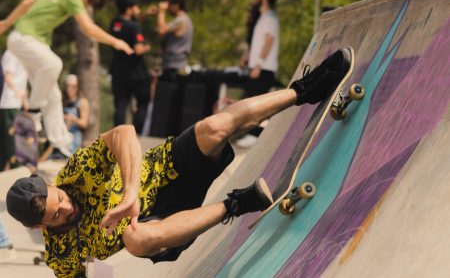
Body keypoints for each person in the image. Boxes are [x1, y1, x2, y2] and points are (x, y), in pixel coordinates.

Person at [5, 48, 353, 277]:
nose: (66, 206)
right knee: (135, 239)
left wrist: (130, 194)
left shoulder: (75, 173)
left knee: (213, 127)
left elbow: (124, 133)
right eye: (56, 215)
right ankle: (238, 203)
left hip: (166, 168)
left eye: (60, 199)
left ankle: (304, 91)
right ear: (40, 228)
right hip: (164, 226)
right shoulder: (59, 254)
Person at [0, 0, 133, 159]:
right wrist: (115, 41)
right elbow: (88, 29)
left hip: (29, 43)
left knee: (53, 95)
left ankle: (59, 144)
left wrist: (6, 23)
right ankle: (32, 112)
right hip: (25, 40)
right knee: (54, 64)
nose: (86, 7)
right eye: (88, 3)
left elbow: (27, 3)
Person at [236, 0, 280, 148]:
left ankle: (255, 136)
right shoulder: (264, 18)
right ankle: (251, 134)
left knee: (255, 104)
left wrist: (259, 65)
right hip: (258, 68)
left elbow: (269, 41)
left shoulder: (270, 18)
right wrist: (249, 57)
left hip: (264, 69)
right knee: (250, 100)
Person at [109, 0, 151, 134]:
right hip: (136, 73)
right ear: (129, 9)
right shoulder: (134, 27)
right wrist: (147, 47)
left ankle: (117, 135)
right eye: (136, 7)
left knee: (121, 105)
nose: (138, 10)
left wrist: (145, 14)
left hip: (118, 71)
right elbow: (138, 49)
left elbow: (131, 22)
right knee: (143, 102)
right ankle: (135, 133)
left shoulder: (114, 23)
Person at [150, 0, 193, 81]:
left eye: (168, 5)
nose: (168, 9)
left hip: (174, 66)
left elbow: (161, 30)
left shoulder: (181, 21)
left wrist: (162, 12)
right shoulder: (182, 20)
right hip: (173, 65)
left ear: (176, 5)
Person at [0, 50, 28, 171]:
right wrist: (17, 92)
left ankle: (11, 169)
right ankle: (14, 169)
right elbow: (8, 76)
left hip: (16, 104)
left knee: (15, 140)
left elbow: (23, 81)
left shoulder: (24, 54)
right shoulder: (11, 53)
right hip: (8, 104)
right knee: (11, 142)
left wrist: (25, 99)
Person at [63, 74, 90, 153]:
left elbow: (84, 123)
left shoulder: (82, 102)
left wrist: (72, 118)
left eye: (73, 86)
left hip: (75, 136)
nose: (70, 89)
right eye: (68, 86)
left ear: (77, 87)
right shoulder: (62, 101)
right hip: (63, 134)